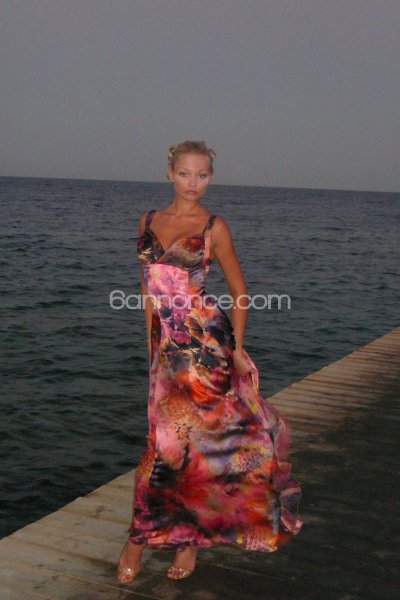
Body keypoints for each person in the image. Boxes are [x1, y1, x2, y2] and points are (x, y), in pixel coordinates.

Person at [117, 140, 303, 582]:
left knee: (199, 450)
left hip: (206, 349)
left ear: (210, 177)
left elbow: (240, 291)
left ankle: (180, 545)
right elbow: (147, 287)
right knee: (161, 449)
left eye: (201, 175)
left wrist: (236, 349)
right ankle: (148, 538)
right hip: (167, 351)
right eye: (185, 173)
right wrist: (150, 344)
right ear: (170, 173)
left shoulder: (214, 226)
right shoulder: (148, 220)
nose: (193, 182)